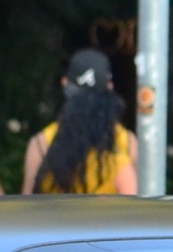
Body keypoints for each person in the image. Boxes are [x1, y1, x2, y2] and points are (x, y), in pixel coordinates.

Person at [21, 51, 138, 196]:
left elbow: (27, 209)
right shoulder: (128, 144)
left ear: (65, 84)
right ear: (109, 87)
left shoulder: (41, 143)